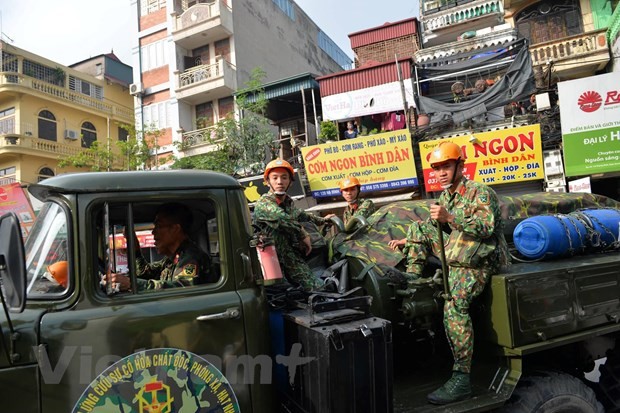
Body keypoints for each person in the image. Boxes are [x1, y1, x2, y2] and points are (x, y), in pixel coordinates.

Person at [389, 141, 509, 404]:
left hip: (479, 259)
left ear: (459, 166)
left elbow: (486, 228)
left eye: (446, 166)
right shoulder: (446, 197)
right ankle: (413, 275)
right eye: (437, 168)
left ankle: (461, 378)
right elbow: (442, 232)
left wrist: (450, 218)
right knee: (418, 228)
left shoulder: (480, 192)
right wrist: (409, 242)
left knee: (453, 304)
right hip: (458, 252)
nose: (441, 172)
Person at [253, 159, 335, 290]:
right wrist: (303, 233)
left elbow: (302, 215)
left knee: (317, 288)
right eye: (275, 178)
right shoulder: (264, 204)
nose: (280, 182)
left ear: (290, 182)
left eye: (284, 178)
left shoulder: (287, 204)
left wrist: (323, 220)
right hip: (270, 261)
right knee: (278, 294)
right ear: (268, 181)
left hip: (290, 257)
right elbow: (282, 219)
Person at [107, 203, 211, 291]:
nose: (153, 232)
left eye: (159, 226)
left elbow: (182, 288)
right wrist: (135, 248)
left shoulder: (191, 257)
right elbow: (144, 273)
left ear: (175, 229)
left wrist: (132, 284)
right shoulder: (172, 259)